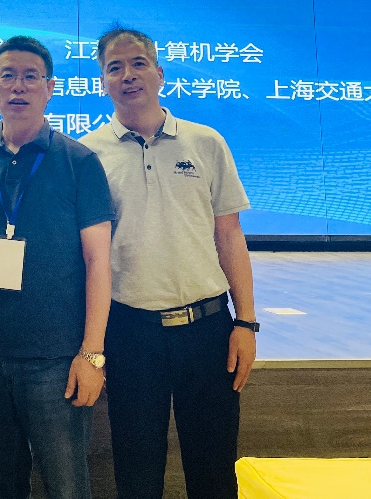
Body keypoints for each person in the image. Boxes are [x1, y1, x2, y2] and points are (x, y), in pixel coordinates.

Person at [80, 26, 258, 499]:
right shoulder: (88, 154)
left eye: (138, 63)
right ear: (102, 82)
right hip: (130, 332)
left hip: (208, 328)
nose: (127, 75)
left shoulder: (205, 142)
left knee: (215, 470)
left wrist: (246, 323)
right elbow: (88, 257)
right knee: (137, 472)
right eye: (114, 67)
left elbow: (229, 235)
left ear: (160, 73)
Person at [0, 35, 114, 499]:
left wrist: (92, 354)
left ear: (49, 87)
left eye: (30, 77)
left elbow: (98, 261)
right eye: (8, 76)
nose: (18, 86)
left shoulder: (79, 162)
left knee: (66, 487)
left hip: (55, 359)